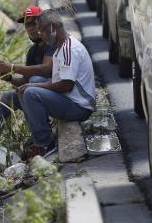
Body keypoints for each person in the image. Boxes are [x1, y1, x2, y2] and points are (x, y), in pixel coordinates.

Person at [19, 9, 95, 158]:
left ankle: (45, 143)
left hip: (80, 106)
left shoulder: (69, 49)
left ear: (53, 28)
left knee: (31, 92)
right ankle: (39, 136)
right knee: (29, 85)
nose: (40, 35)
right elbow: (58, 82)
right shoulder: (60, 47)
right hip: (69, 98)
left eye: (42, 31)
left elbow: (66, 85)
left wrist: (34, 87)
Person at [0, 6, 54, 137]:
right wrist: (9, 78)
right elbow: (25, 82)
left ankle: (44, 140)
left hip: (57, 95)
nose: (30, 29)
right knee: (8, 96)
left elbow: (46, 69)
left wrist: (13, 67)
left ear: (43, 23)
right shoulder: (33, 51)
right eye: (27, 25)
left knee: (35, 80)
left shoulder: (52, 43)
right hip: (37, 95)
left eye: (33, 23)